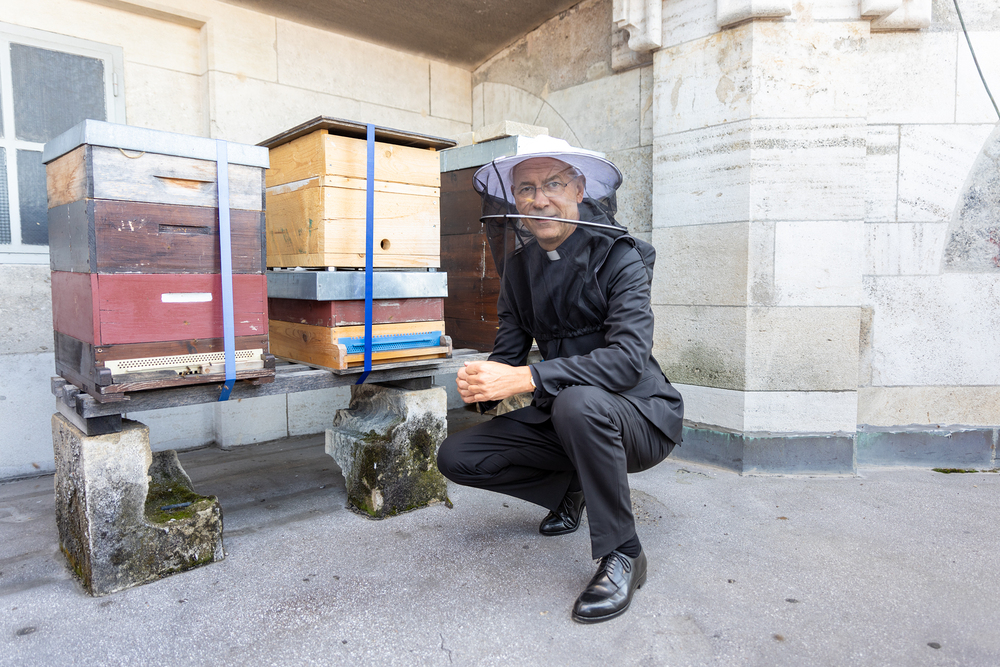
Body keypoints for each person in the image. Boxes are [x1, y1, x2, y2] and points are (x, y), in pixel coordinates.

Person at [436, 137, 684, 624]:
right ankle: (569, 488)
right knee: (458, 456)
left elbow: (627, 360)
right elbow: (508, 352)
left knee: (577, 404)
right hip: (566, 417)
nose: (539, 199)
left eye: (552, 184)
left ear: (578, 190)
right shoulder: (519, 269)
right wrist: (481, 385)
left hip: (640, 417)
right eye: (525, 188)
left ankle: (624, 553)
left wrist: (526, 376)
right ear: (514, 199)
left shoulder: (621, 257)